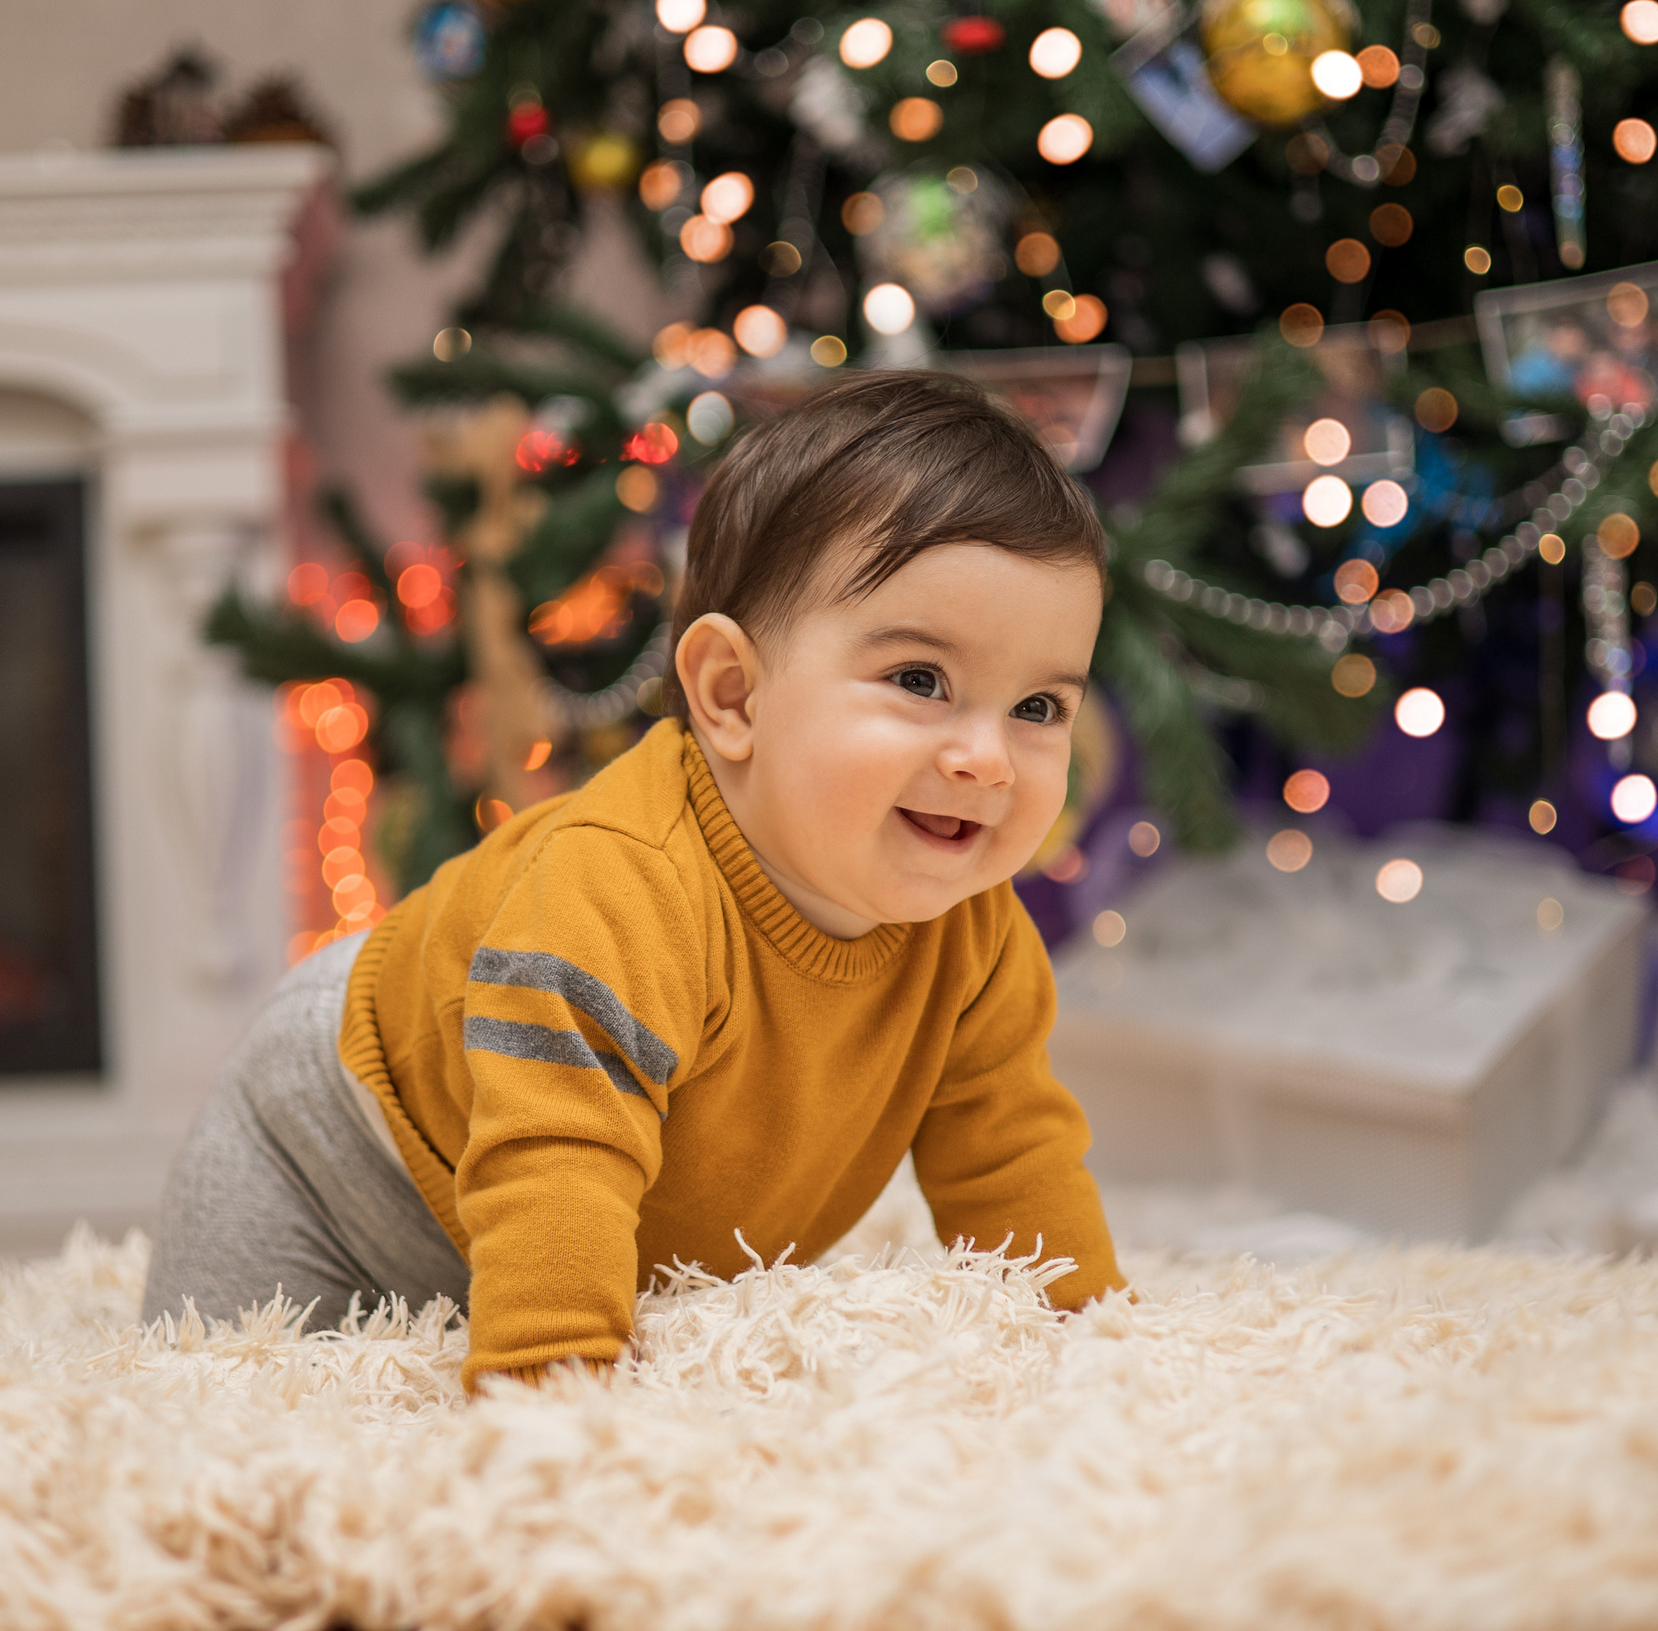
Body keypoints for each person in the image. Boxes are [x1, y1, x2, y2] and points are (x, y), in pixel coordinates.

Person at [142, 370, 1125, 1389]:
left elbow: (1008, 1150)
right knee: (204, 1388)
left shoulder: (973, 932)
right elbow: (553, 1152)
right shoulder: (623, 887)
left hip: (559, 1208)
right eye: (920, 682)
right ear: (732, 694)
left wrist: (1094, 1346)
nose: (989, 759)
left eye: (1039, 708)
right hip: (334, 1143)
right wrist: (554, 1396)